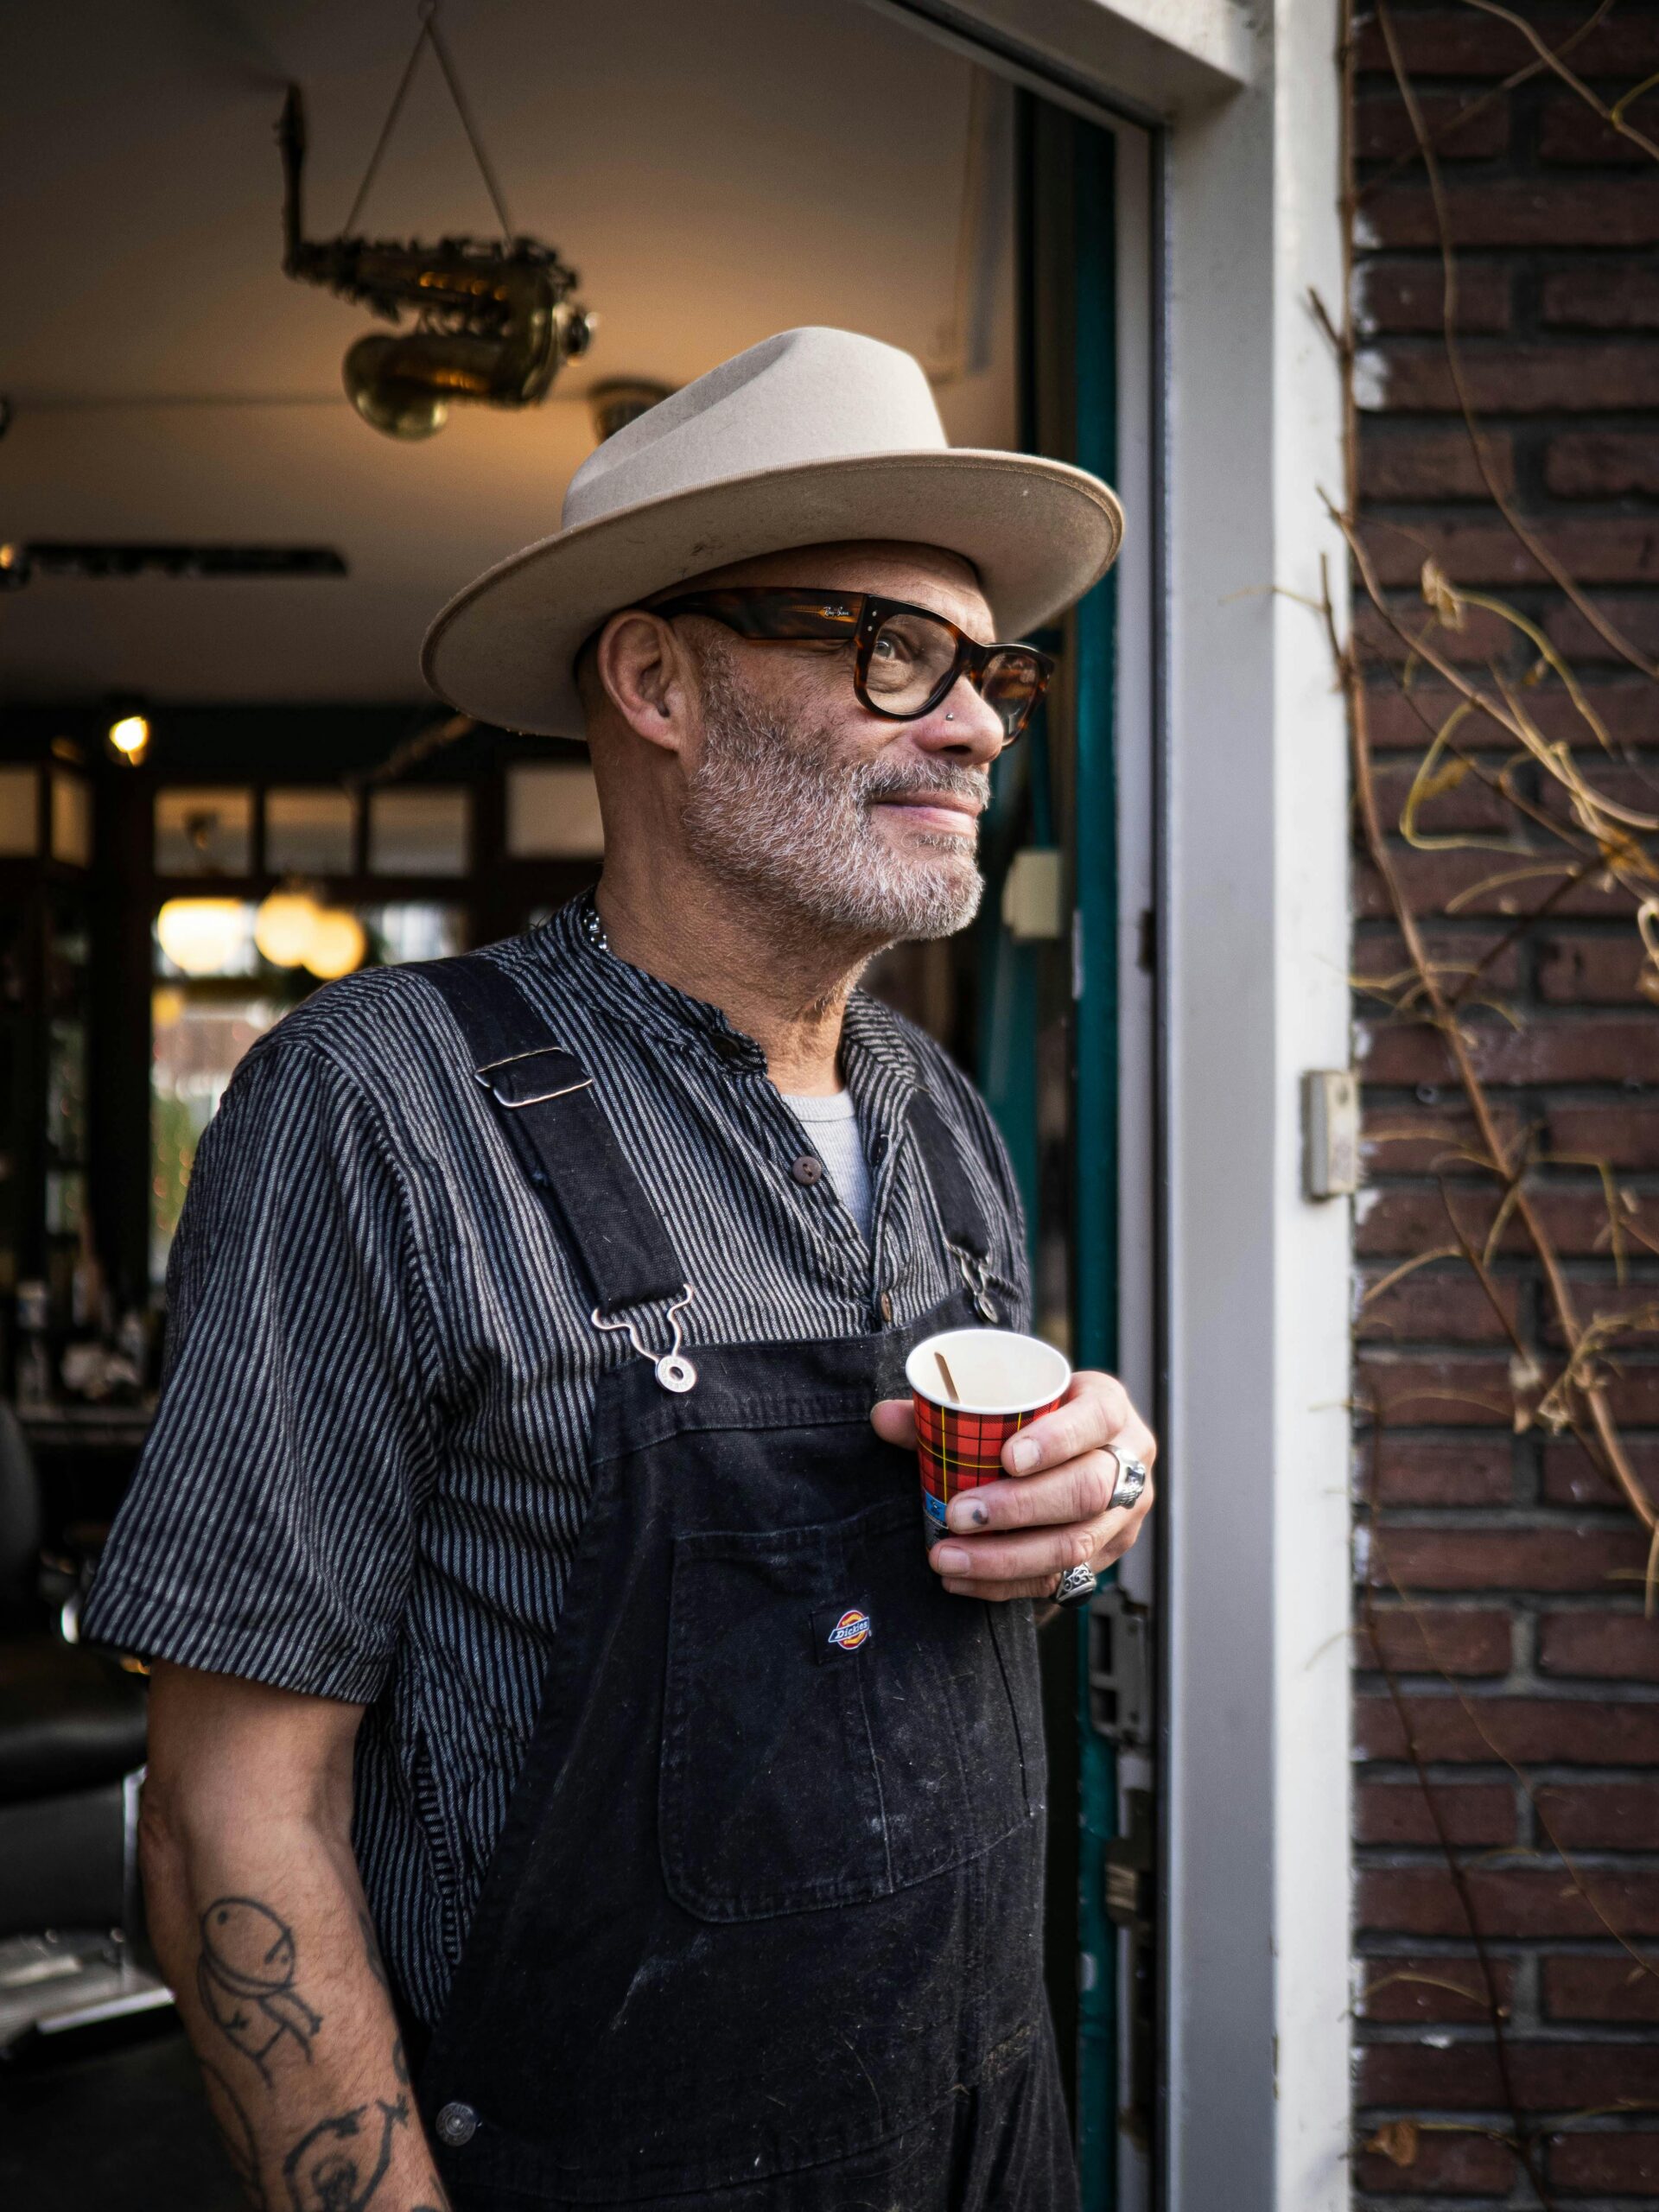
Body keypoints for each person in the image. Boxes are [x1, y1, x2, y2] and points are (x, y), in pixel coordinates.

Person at [85, 327, 1156, 2212]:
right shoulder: (378, 1105)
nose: (983, 724)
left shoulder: (938, 1109)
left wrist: (1086, 1499)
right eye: (891, 652)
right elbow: (231, 1809)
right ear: (656, 679)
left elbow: (893, 1643)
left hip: (986, 2136)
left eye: (991, 671)